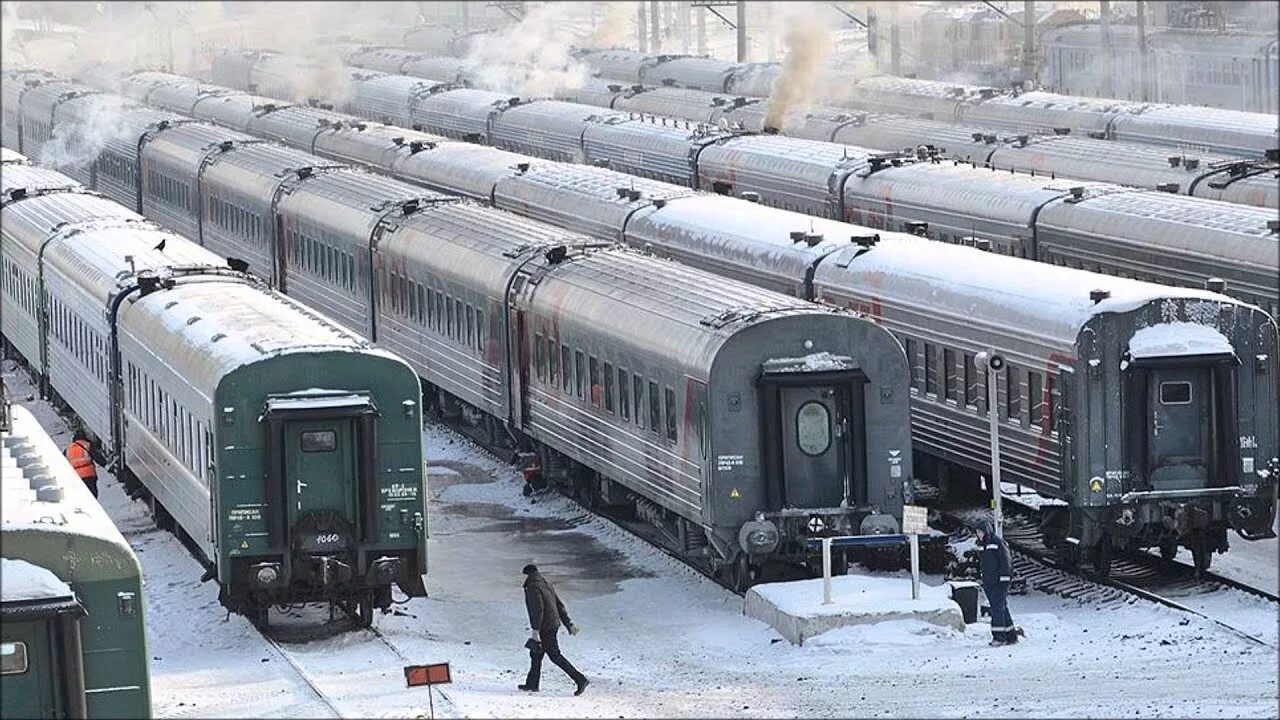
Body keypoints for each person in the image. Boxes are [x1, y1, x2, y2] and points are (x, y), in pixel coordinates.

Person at [519, 564, 589, 695]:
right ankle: (532, 683)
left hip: (545, 626)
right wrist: (568, 624)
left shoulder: (533, 587)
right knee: (536, 653)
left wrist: (535, 630)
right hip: (553, 623)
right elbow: (559, 605)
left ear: (527, 574)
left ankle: (580, 679)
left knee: (554, 655)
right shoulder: (546, 585)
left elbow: (537, 610)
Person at [975, 519, 1018, 646]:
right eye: (977, 532)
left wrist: (1005, 578)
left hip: (999, 581)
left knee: (996, 608)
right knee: (1001, 607)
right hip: (989, 581)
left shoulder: (997, 543)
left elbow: (1006, 561)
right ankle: (1011, 635)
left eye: (980, 531)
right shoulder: (982, 545)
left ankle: (999, 637)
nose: (979, 534)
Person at [65, 429, 98, 498]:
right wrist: (104, 463)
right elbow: (97, 457)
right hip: (89, 475)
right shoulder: (87, 445)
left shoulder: (68, 449)